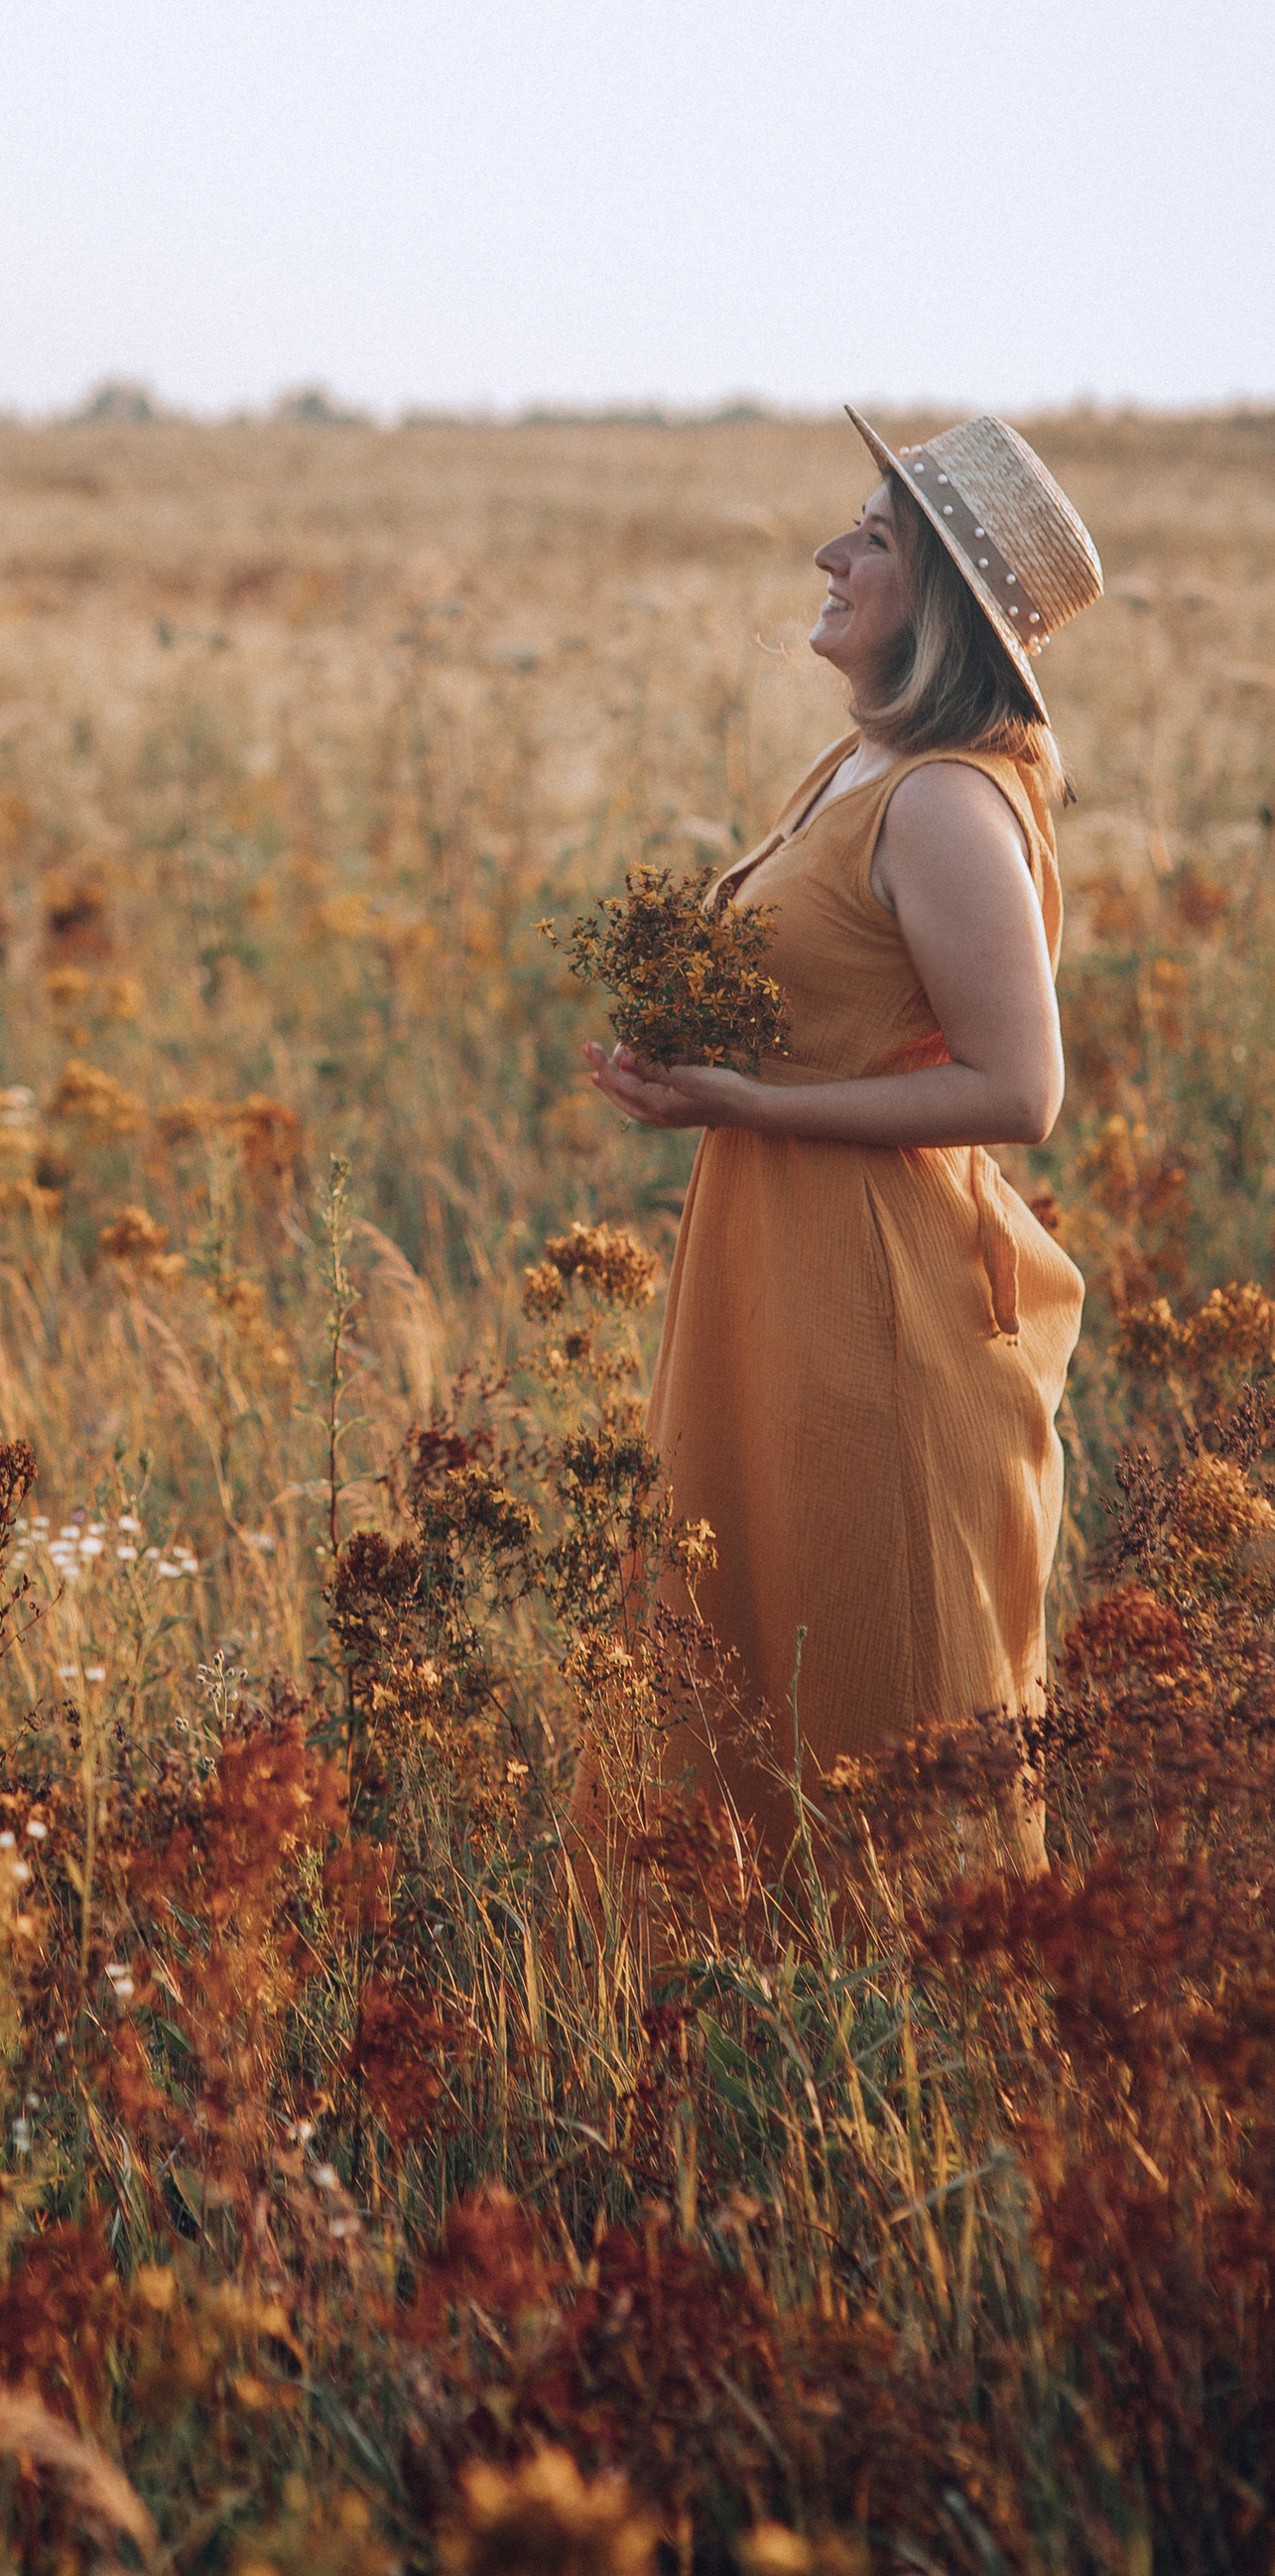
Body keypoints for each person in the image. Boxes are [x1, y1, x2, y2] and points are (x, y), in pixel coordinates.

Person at [582, 408, 1104, 1876]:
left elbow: (1021, 1089)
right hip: (775, 1272)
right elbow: (850, 1008)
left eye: (872, 538)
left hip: (877, 1304)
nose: (831, 553)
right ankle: (758, 2062)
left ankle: (904, 2080)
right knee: (749, 1646)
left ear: (936, 599)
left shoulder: (945, 801)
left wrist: (754, 1106)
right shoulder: (853, 767)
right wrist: (697, 1054)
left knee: (875, 1684)